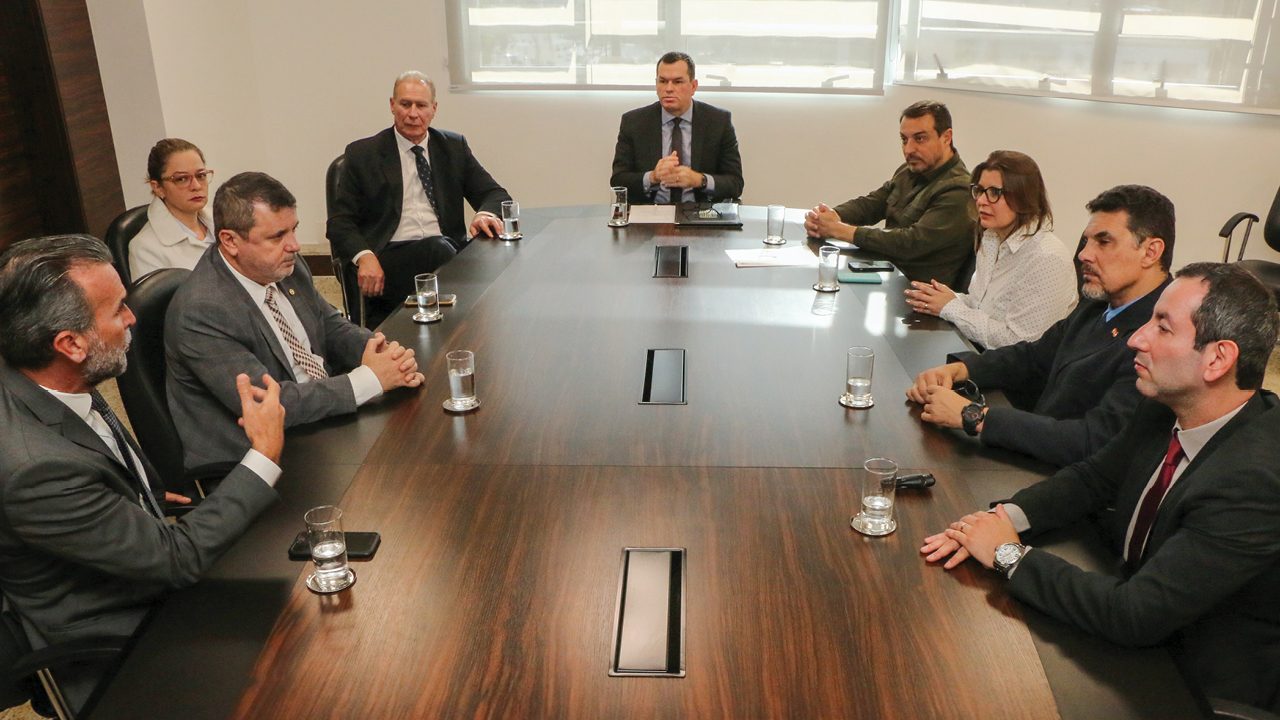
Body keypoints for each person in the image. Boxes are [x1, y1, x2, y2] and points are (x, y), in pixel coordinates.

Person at [922, 263, 1280, 713]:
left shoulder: (1255, 481)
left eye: (1161, 328)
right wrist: (1001, 519)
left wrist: (1009, 555)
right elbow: (1092, 478)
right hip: (1131, 616)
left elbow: (1136, 615)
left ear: (1217, 359)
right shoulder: (1168, 405)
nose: (1136, 337)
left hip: (1191, 679)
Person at [0, 234, 285, 712]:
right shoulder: (37, 468)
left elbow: (92, 460)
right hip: (121, 637)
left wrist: (133, 502)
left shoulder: (48, 378)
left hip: (132, 561)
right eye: (117, 310)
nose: (133, 318)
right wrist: (264, 453)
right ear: (69, 344)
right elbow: (177, 559)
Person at [167, 172, 424, 469]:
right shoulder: (202, 310)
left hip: (317, 417)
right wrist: (370, 379)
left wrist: (380, 352)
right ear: (230, 241)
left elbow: (328, 324)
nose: (295, 245)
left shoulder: (285, 264)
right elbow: (271, 405)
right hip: (261, 455)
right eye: (277, 236)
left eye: (293, 230)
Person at [907, 185, 1174, 467]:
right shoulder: (1099, 303)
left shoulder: (1159, 335)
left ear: (1150, 252)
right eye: (1087, 241)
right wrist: (961, 369)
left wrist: (975, 416)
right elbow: (1034, 357)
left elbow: (1094, 439)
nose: (1084, 254)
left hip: (1071, 485)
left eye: (1103, 242)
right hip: (1036, 460)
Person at [327, 70, 513, 328]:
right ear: (392, 105)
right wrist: (364, 256)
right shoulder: (363, 154)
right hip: (389, 261)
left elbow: (495, 194)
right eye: (405, 104)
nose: (413, 113)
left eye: (421, 105)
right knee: (439, 251)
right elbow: (339, 222)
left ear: (433, 109)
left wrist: (485, 213)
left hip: (446, 254)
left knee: (477, 254)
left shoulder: (452, 147)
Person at [905, 150, 1076, 349]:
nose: (981, 201)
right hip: (983, 355)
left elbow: (1020, 344)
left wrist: (950, 308)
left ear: (1023, 197)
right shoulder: (992, 237)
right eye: (979, 190)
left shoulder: (1047, 258)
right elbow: (982, 307)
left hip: (1018, 375)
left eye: (995, 193)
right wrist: (943, 298)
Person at [804, 100, 977, 288]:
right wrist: (828, 217)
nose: (909, 149)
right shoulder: (910, 170)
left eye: (920, 139)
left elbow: (909, 243)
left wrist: (837, 229)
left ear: (946, 137)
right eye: (904, 139)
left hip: (918, 295)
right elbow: (872, 204)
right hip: (887, 275)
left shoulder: (959, 189)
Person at [610, 52, 744, 206]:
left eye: (678, 82)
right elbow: (618, 181)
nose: (668, 89)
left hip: (701, 214)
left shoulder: (719, 122)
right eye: (663, 81)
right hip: (651, 215)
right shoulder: (634, 122)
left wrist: (700, 180)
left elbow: (735, 183)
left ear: (693, 86)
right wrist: (652, 177)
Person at [129, 138, 215, 279]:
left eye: (201, 176)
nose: (196, 186)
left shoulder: (225, 220)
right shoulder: (145, 248)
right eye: (181, 179)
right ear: (158, 188)